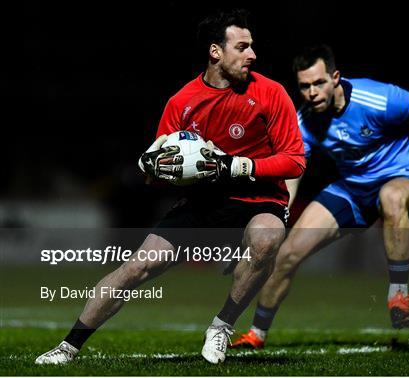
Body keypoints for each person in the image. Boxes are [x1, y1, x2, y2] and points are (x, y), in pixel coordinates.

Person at [35, 9, 305, 365]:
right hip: (203, 203)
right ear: (215, 52)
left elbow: (295, 160)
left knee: (268, 237)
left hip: (259, 199)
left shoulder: (271, 93)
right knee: (136, 269)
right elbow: (159, 170)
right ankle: (68, 347)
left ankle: (221, 326)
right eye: (242, 47)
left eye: (252, 46)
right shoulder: (183, 102)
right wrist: (151, 166)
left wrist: (237, 165)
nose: (252, 55)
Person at [232, 44, 409, 349]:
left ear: (335, 77)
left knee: (390, 198)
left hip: (402, 176)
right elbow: (294, 172)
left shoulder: (378, 99)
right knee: (288, 253)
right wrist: (280, 214)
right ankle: (256, 334)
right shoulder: (304, 121)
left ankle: (398, 295)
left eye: (318, 83)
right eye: (304, 86)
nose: (312, 93)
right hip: (354, 187)